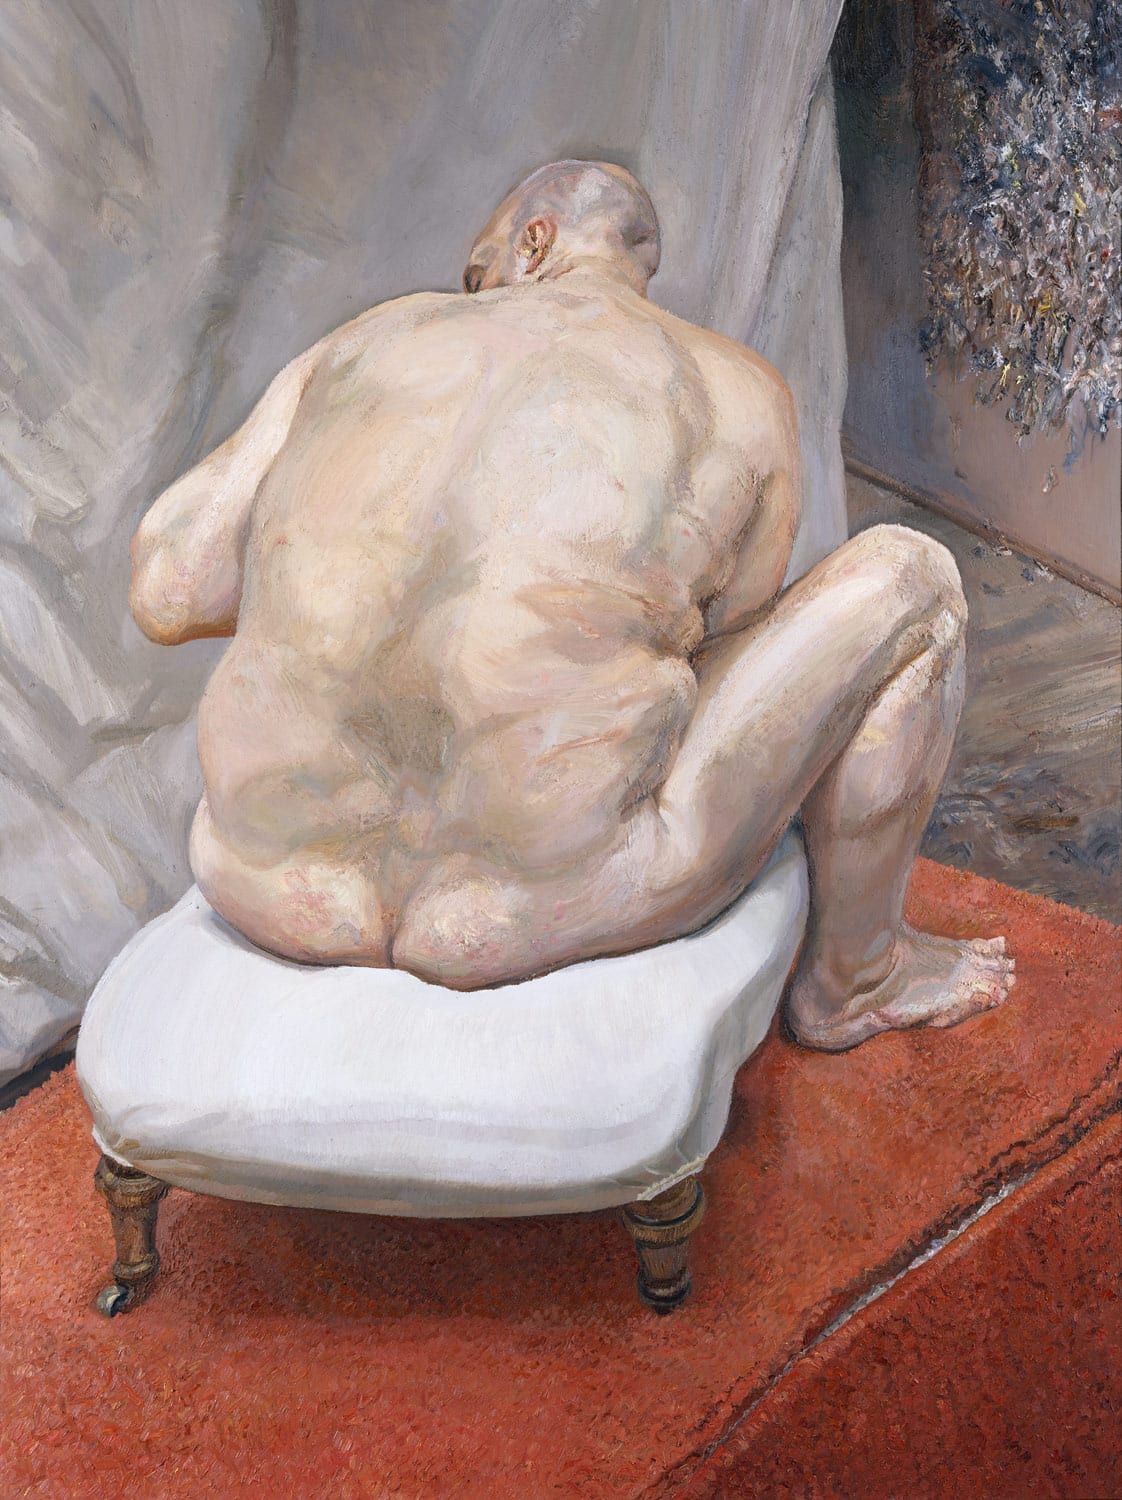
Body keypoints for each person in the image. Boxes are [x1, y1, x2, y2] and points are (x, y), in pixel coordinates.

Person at [130, 159, 1014, 1048]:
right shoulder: (733, 388)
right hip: (534, 904)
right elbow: (727, 637)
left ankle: (859, 978)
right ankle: (857, 976)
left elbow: (171, 589)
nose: (468, 298)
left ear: (533, 243)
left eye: (474, 275)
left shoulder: (362, 342)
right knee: (913, 577)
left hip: (267, 877)